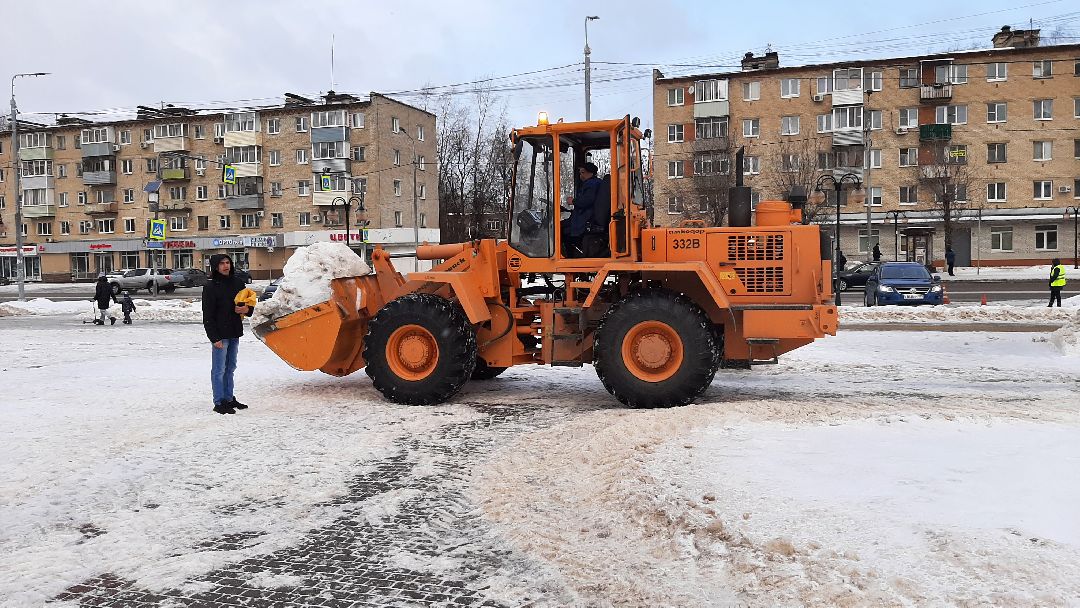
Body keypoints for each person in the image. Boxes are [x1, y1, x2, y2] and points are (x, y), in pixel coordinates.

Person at [202, 254, 252, 414]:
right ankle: (219, 402)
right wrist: (214, 337)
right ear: (216, 266)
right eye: (222, 263)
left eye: (228, 262)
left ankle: (229, 398)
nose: (226, 266)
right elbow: (207, 315)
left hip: (234, 331)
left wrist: (246, 309)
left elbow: (248, 305)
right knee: (219, 370)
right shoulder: (210, 287)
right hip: (220, 335)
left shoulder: (238, 283)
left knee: (230, 367)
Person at [561, 162, 602, 257]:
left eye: (583, 172)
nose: (581, 175)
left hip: (585, 220)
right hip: (585, 217)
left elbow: (587, 201)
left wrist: (573, 201)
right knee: (561, 227)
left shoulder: (591, 184)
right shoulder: (594, 183)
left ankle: (569, 257)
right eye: (580, 173)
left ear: (591, 173)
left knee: (557, 230)